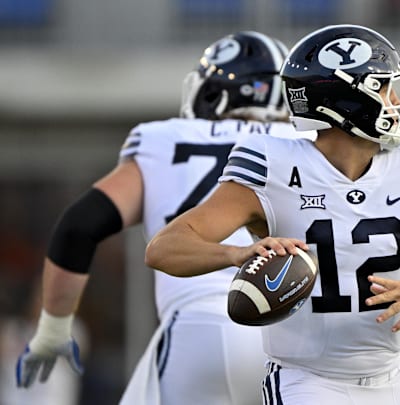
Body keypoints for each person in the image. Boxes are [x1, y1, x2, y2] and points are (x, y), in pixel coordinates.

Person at [145, 24, 400, 405]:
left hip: (393, 376)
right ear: (348, 101)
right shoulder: (273, 164)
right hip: (308, 383)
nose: (396, 100)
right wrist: (237, 254)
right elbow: (164, 248)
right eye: (384, 88)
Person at [15, 31, 303, 405]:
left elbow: (79, 226)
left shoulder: (164, 138)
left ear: (212, 91)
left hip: (197, 330)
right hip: (292, 337)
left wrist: (53, 330)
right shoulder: (304, 145)